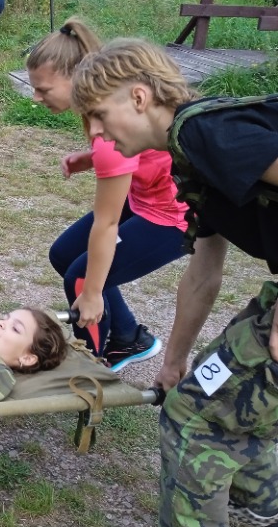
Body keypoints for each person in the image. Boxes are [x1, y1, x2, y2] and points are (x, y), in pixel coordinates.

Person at [71, 38, 278, 527]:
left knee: (192, 413)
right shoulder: (190, 162)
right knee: (227, 388)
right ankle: (263, 504)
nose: (96, 134)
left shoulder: (203, 130)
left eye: (99, 115)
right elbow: (205, 271)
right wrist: (175, 360)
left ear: (139, 98)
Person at [26, 19, 188, 370]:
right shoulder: (106, 121)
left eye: (43, 89)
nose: (35, 97)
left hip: (172, 218)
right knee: (64, 254)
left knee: (82, 278)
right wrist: (89, 158)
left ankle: (91, 368)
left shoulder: (109, 138)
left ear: (76, 78)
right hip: (145, 200)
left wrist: (93, 293)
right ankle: (128, 337)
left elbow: (107, 223)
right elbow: (143, 153)